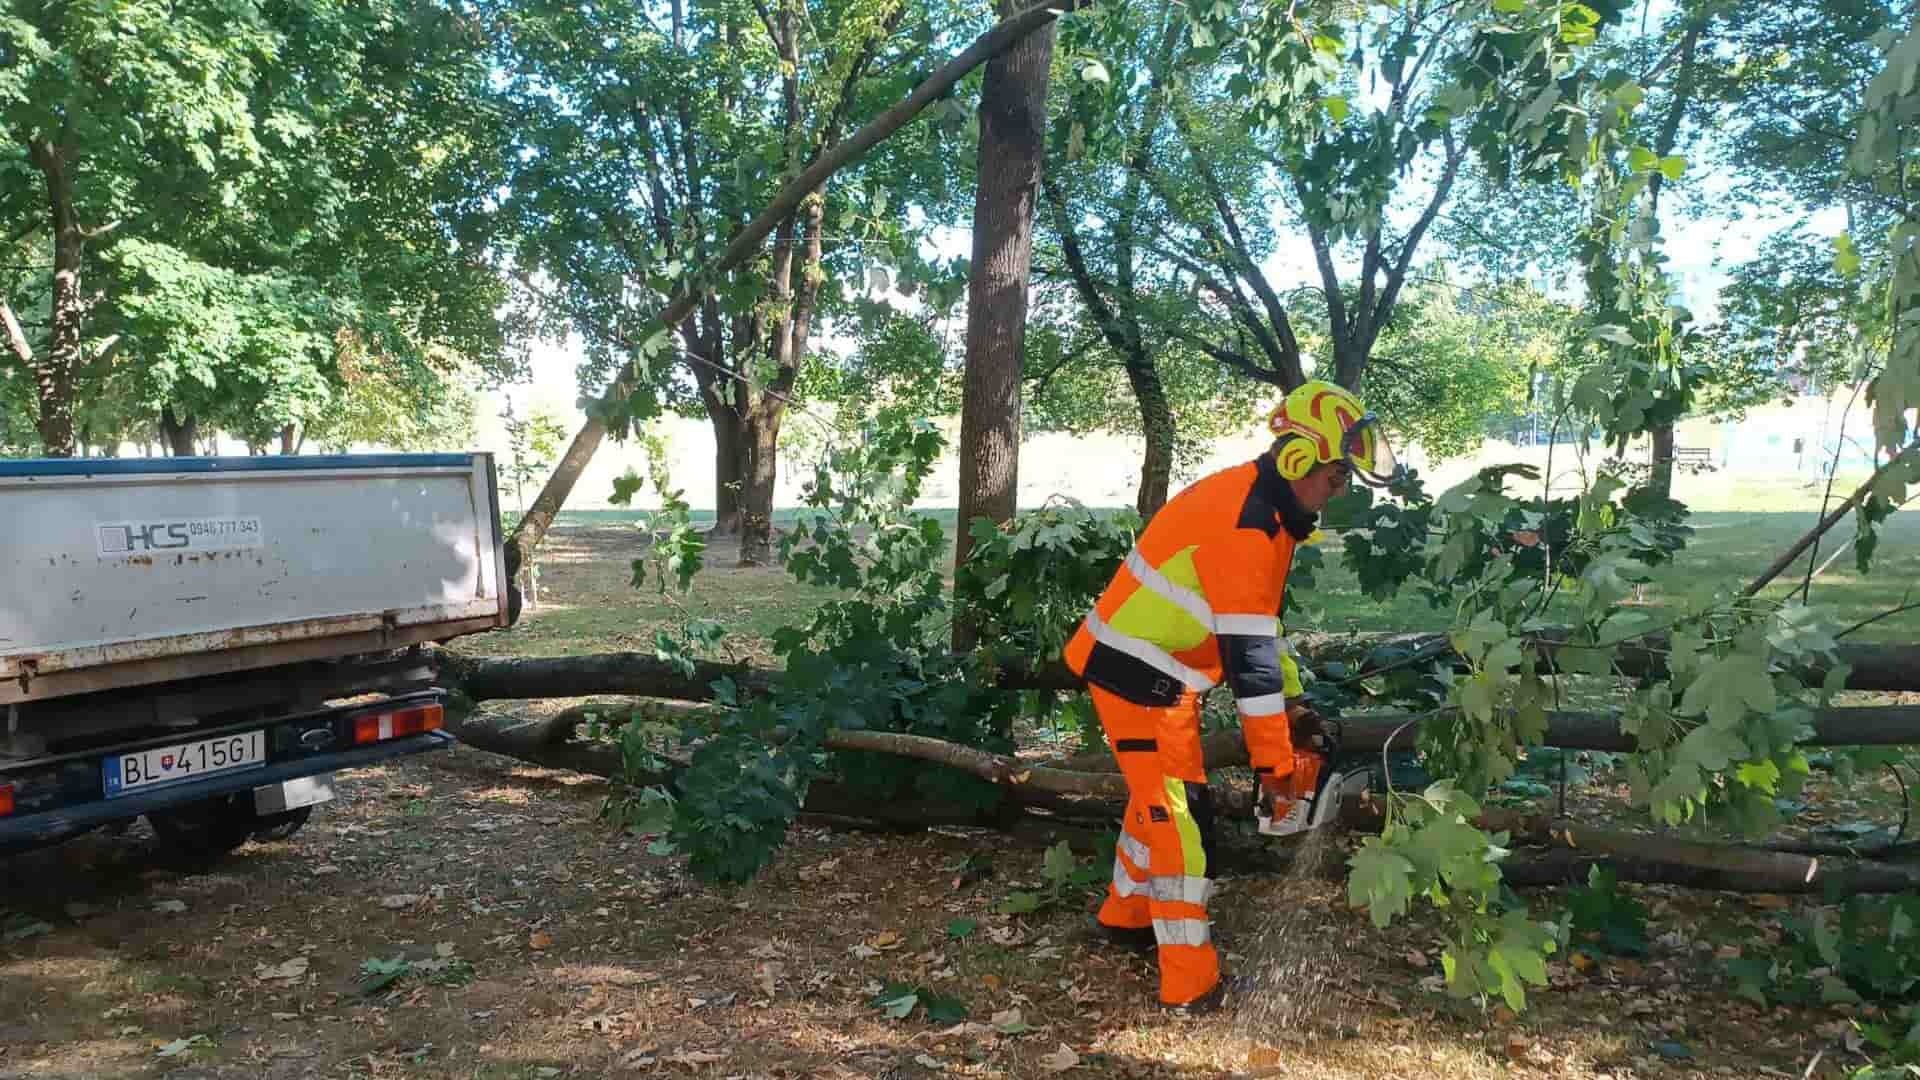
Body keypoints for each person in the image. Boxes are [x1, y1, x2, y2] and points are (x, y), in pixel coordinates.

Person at [1061, 379, 1396, 1015]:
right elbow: (1251, 668)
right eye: (1335, 475)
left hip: (1166, 678)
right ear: (1298, 461)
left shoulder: (1269, 516)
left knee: (1156, 798)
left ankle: (1125, 916)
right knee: (1184, 823)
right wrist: (1275, 772)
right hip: (1135, 676)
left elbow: (1261, 630)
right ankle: (1190, 983)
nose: (1341, 488)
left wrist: (1295, 708)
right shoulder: (1244, 525)